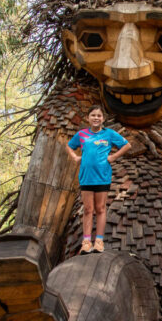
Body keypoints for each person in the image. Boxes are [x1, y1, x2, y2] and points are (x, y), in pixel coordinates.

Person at [66, 106, 131, 253]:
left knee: (100, 208)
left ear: (103, 119)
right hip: (86, 177)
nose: (96, 118)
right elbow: (69, 146)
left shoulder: (109, 134)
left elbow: (127, 145)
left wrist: (113, 157)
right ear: (88, 118)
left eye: (99, 116)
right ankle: (86, 242)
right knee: (88, 209)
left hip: (102, 176)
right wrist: (75, 157)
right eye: (93, 115)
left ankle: (99, 241)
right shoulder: (81, 134)